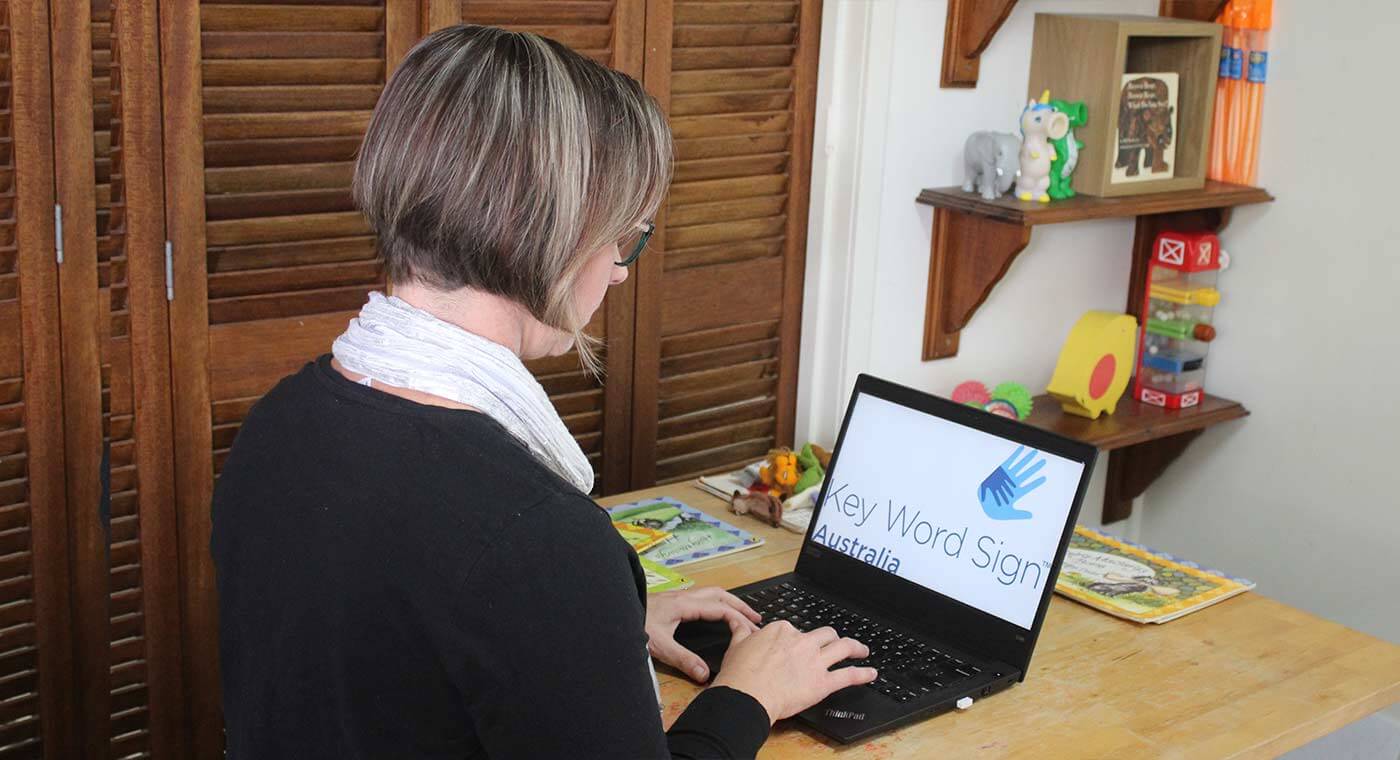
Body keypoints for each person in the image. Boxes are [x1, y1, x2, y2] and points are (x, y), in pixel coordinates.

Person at [211, 24, 876, 759]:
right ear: (559, 235)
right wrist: (744, 699)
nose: (620, 272)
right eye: (623, 237)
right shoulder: (535, 542)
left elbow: (388, 659)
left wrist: (590, 640)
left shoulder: (278, 425)